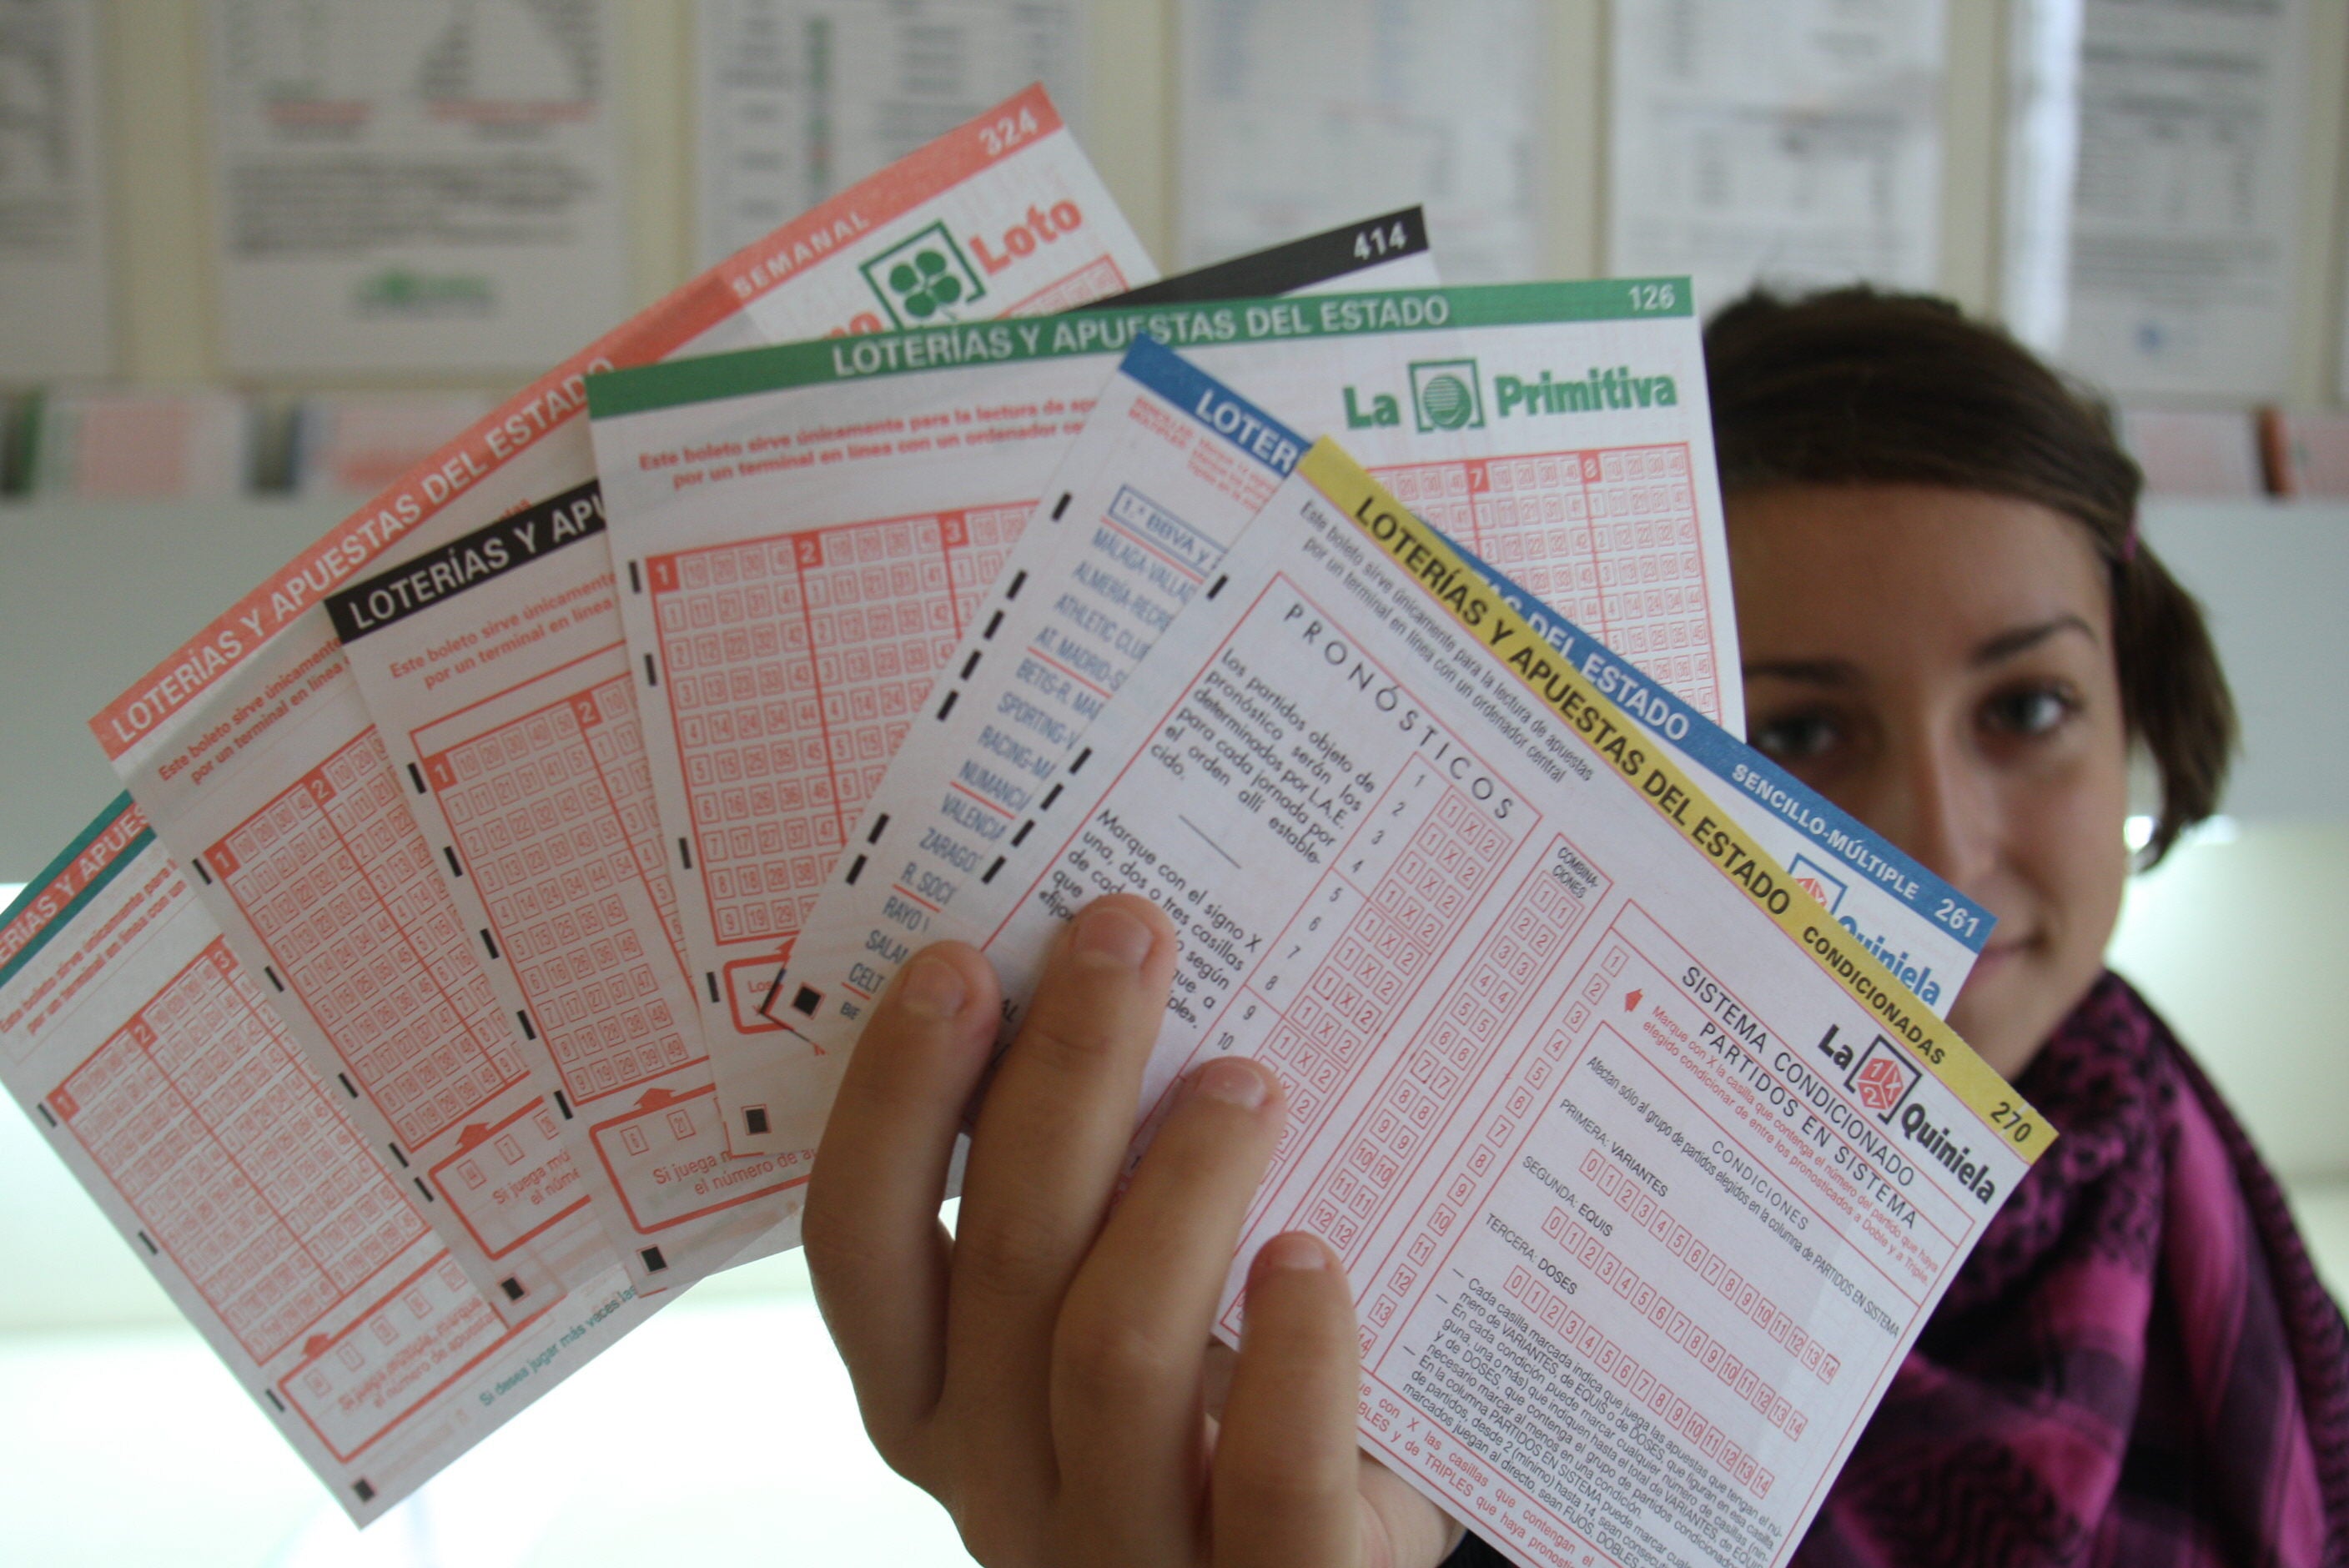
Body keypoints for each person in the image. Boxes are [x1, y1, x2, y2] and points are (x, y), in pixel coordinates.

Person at [799, 287, 2349, 1567]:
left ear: (2138, 706)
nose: (1945, 852)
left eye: (2029, 708)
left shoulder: (2184, 1181)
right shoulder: (1388, 1377)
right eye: (1800, 735)